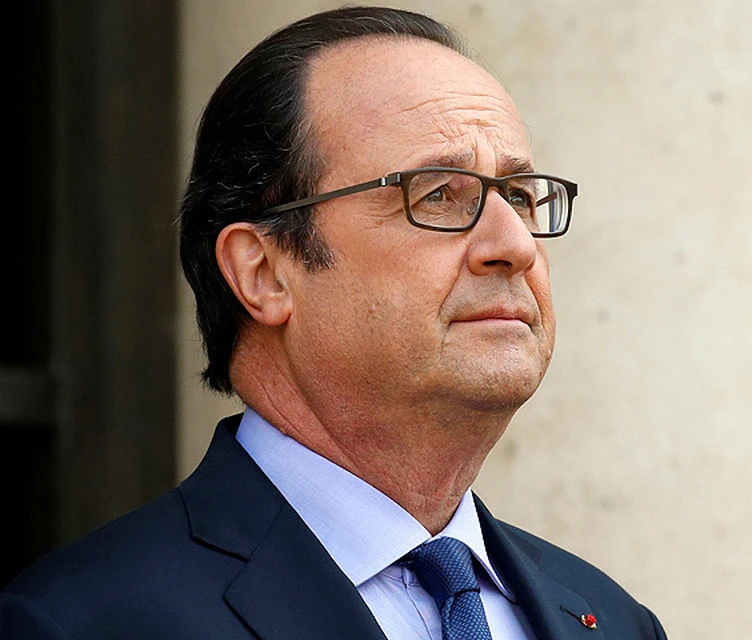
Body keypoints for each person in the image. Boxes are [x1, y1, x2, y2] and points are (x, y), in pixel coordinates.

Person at [1, 7, 667, 639]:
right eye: (438, 194)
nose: (516, 244)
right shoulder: (81, 621)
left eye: (519, 196)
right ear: (264, 272)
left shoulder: (612, 619)